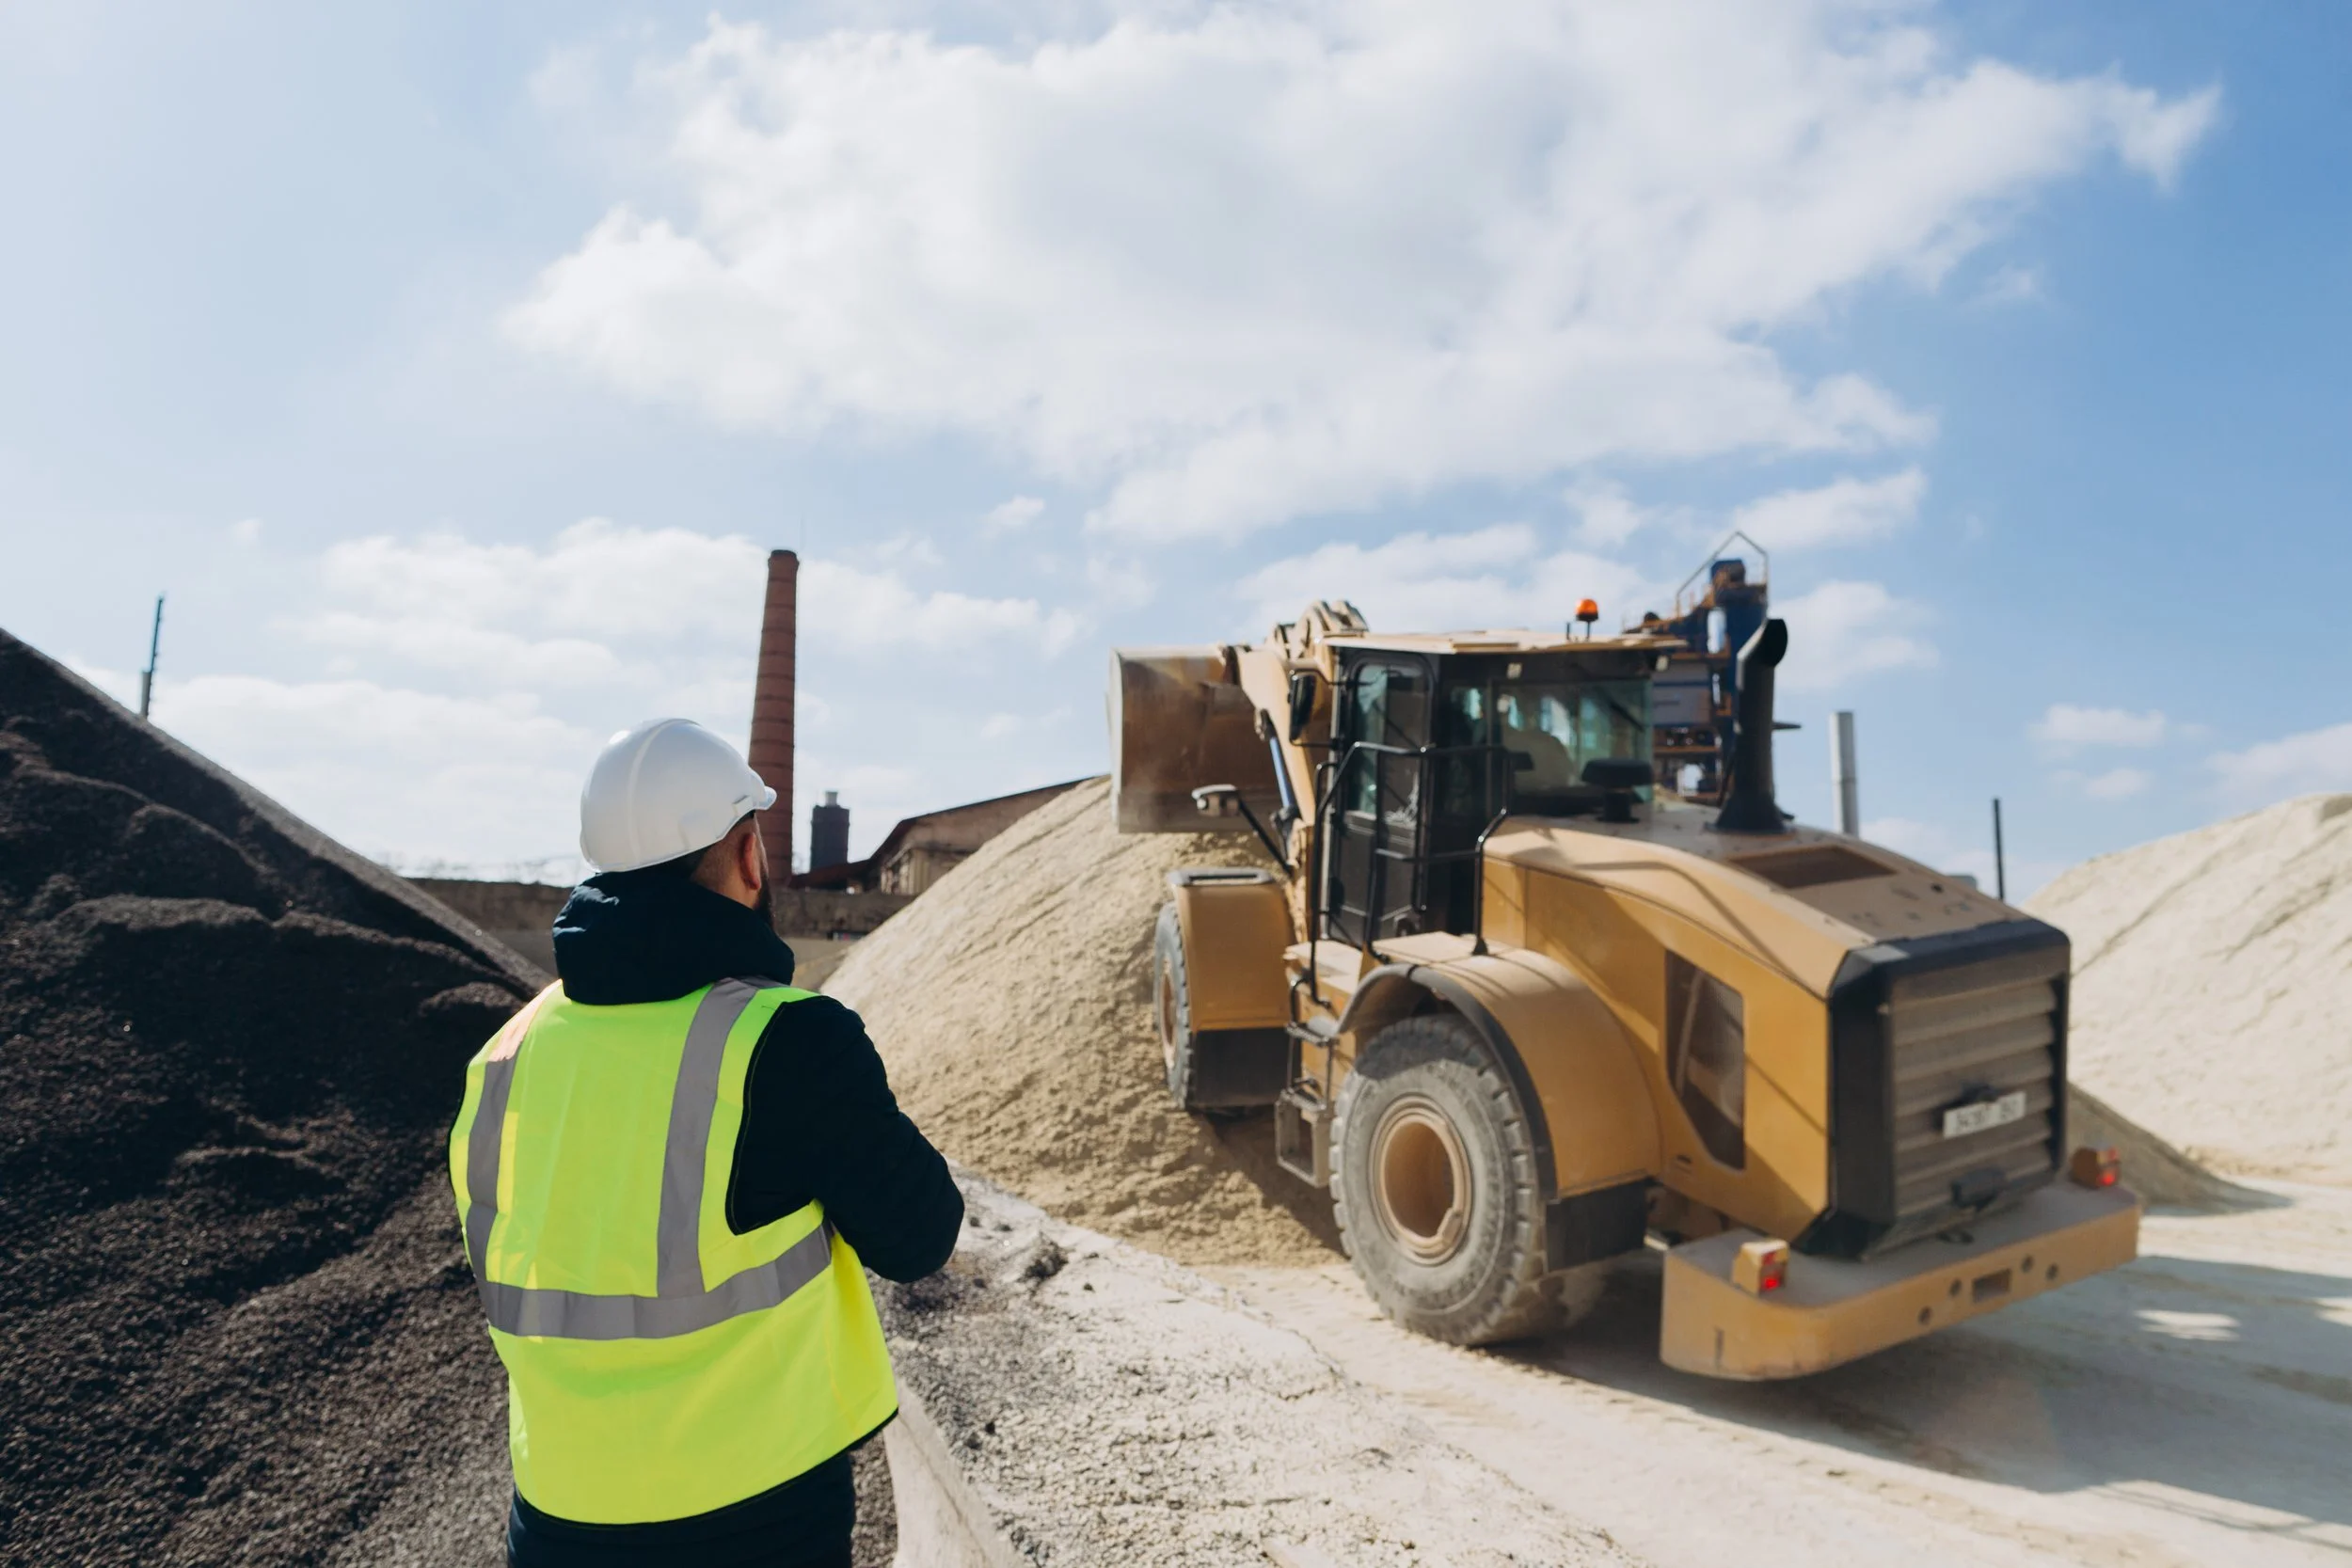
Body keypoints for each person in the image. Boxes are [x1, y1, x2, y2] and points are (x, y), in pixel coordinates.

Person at [449, 718, 963, 1568]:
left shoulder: (504, 1053)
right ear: (749, 855)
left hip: (557, 1518)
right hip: (757, 1521)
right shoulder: (788, 1040)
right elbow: (920, 1237)